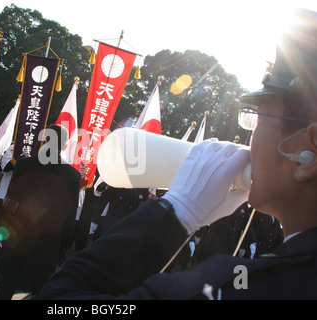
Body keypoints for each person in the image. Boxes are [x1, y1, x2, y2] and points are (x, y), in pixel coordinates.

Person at [34, 8, 317, 299]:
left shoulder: (235, 287)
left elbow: (58, 298)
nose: (251, 137)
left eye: (258, 119)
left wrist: (177, 211)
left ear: (308, 152)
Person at [0, 124, 81, 299]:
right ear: (63, 145)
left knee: (4, 290)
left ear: (44, 141)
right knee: (39, 291)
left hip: (16, 236)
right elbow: (70, 217)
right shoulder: (72, 175)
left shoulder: (24, 165)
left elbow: (9, 203)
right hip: (48, 243)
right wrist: (62, 248)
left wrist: (0, 234)